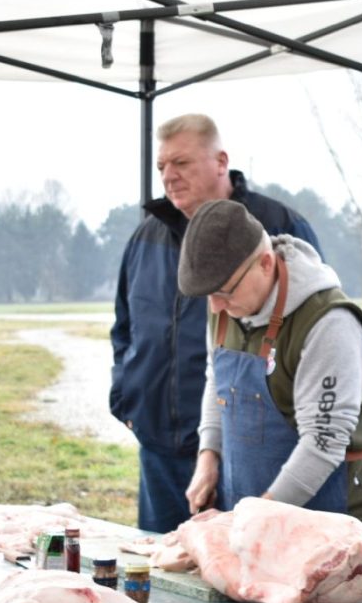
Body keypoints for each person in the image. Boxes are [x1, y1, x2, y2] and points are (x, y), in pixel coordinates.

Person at [109, 113, 321, 534]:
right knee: (159, 570)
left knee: (237, 580)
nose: (169, 176)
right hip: (158, 447)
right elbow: (125, 326)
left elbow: (315, 329)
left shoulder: (275, 228)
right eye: (162, 167)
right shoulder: (146, 237)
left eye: (182, 163)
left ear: (221, 161)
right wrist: (127, 398)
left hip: (246, 450)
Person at [177, 199, 362, 527]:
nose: (216, 306)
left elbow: (323, 442)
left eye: (225, 292)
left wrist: (254, 520)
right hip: (251, 506)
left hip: (330, 514)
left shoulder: (329, 322)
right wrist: (208, 457)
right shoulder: (225, 306)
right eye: (209, 295)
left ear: (264, 263)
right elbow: (216, 381)